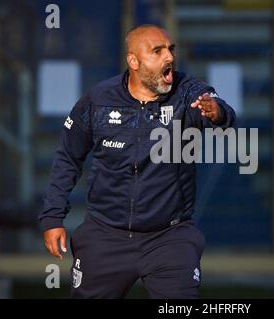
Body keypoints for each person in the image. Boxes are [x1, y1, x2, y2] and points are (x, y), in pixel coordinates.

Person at [39, 24, 236, 298]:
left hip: (170, 237)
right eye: (157, 51)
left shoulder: (188, 91)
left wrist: (217, 112)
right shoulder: (98, 100)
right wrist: (52, 217)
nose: (169, 57)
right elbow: (68, 157)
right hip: (105, 235)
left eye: (170, 49)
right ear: (134, 61)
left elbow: (220, 111)